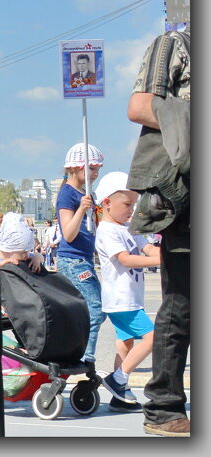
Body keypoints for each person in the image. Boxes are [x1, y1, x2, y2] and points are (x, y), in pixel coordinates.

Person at [127, 27, 190, 437]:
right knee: (182, 302)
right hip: (187, 191)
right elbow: (140, 105)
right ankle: (164, 408)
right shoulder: (177, 43)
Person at [92, 170, 159, 412]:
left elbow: (147, 247)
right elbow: (126, 259)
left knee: (125, 344)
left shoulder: (128, 227)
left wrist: (160, 254)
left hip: (131, 299)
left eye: (134, 204)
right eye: (127, 204)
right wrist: (159, 261)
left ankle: (119, 397)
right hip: (120, 300)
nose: (131, 210)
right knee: (154, 337)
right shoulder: (107, 231)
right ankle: (117, 379)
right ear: (107, 203)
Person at [54, 142, 106, 366]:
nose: (95, 174)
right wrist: (82, 209)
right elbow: (69, 232)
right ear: (75, 167)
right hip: (73, 260)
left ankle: (77, 351)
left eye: (97, 169)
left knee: (94, 309)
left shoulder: (87, 194)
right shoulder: (68, 194)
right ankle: (85, 356)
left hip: (84, 260)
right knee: (94, 309)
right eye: (92, 168)